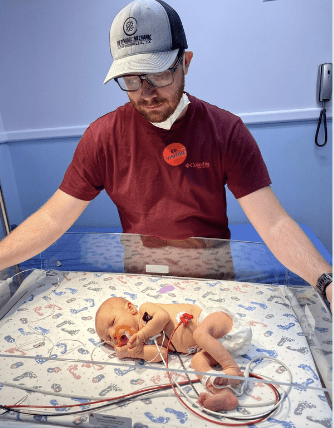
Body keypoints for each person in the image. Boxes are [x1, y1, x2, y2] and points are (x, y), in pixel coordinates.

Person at [0, 0, 331, 309]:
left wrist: (327, 281)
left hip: (212, 280)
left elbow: (273, 224)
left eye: (158, 73)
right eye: (131, 79)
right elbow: (52, 218)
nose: (146, 93)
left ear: (185, 62)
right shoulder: (103, 138)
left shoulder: (225, 131)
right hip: (141, 282)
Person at [95, 296, 252, 411]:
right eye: (109, 338)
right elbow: (162, 354)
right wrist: (134, 353)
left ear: (130, 308)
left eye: (112, 322)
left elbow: (162, 317)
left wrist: (142, 334)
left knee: (199, 334)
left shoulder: (144, 311)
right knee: (197, 362)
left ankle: (232, 369)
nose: (113, 334)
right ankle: (224, 394)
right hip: (213, 347)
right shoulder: (144, 342)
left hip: (215, 322)